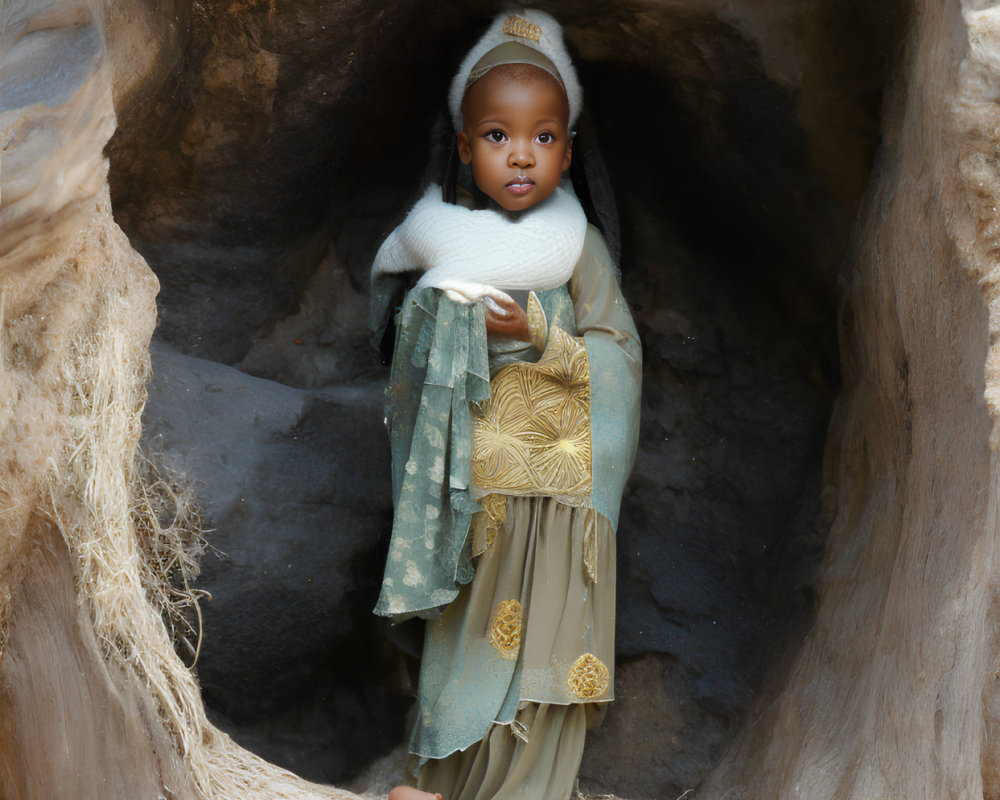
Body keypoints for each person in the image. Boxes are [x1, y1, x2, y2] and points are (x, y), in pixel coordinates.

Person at [371, 10, 641, 800]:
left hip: (559, 492)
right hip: (473, 488)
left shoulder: (576, 246)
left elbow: (619, 349)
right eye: (497, 135)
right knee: (467, 638)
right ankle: (442, 781)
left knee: (544, 654)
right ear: (464, 146)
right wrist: (439, 316)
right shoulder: (439, 237)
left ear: (567, 146)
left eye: (543, 137)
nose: (521, 154)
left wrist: (541, 329)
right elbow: (395, 345)